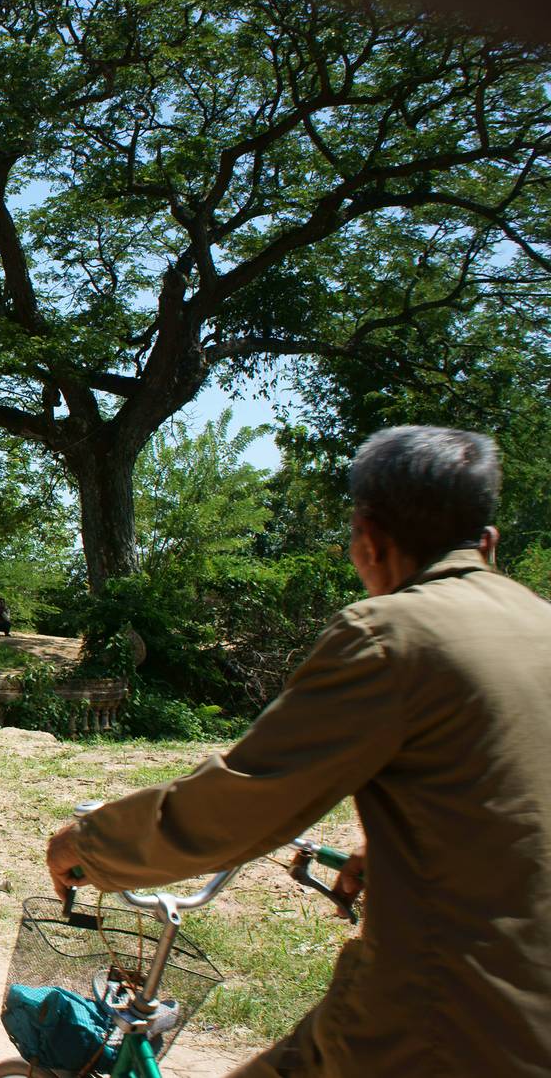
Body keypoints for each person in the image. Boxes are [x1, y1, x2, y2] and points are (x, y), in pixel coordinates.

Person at [44, 427, 551, 1077]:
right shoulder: (537, 623)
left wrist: (88, 845)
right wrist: (392, 851)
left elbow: (239, 804)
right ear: (488, 542)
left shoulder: (389, 637)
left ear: (367, 538)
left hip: (445, 1020)